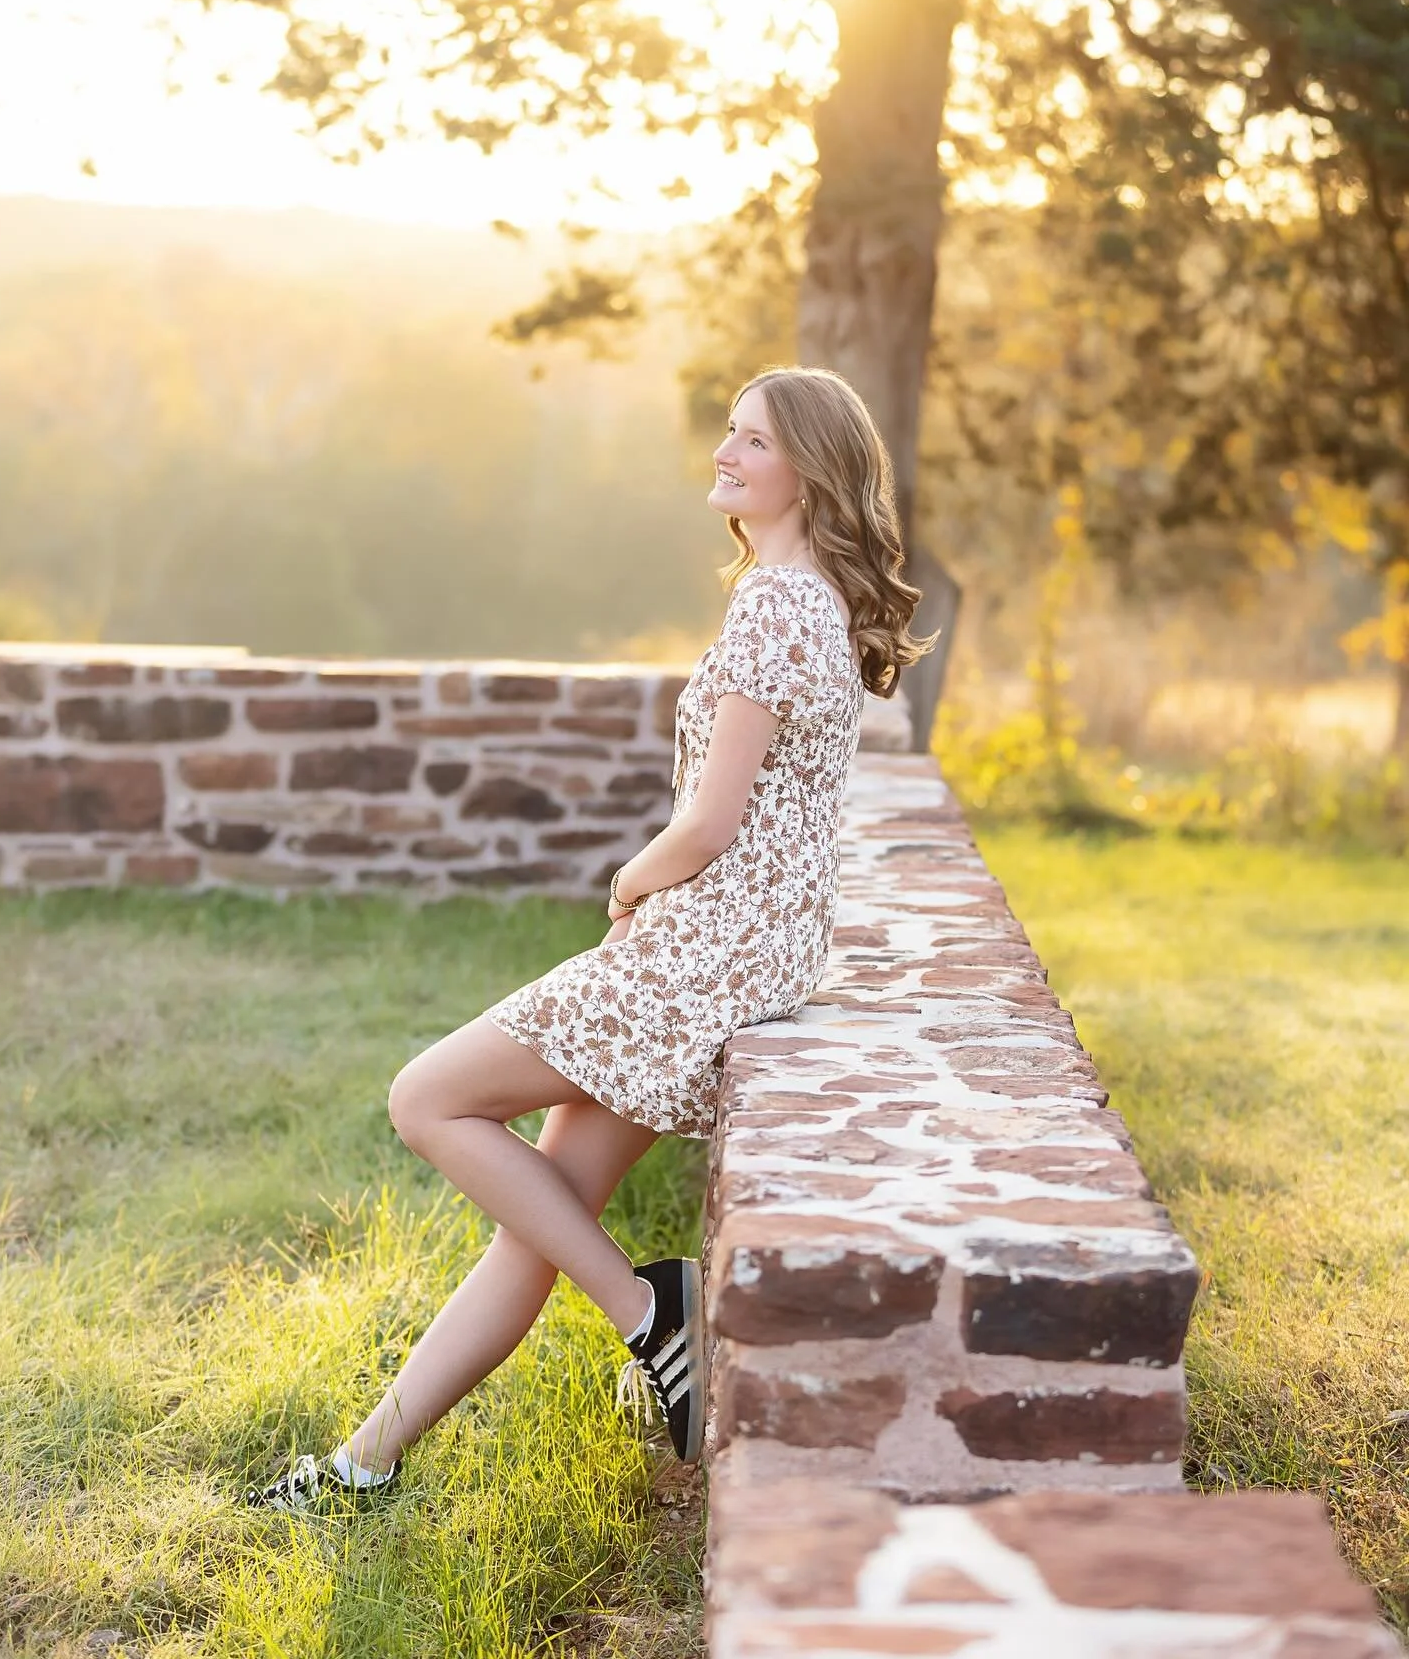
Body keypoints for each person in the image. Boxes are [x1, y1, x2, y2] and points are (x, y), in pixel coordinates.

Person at [246, 364, 935, 1510]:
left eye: (750, 441)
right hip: (751, 947)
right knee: (541, 1224)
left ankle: (649, 1314)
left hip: (702, 947)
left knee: (426, 1098)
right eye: (729, 432)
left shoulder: (776, 604)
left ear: (807, 469)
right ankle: (363, 1465)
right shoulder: (808, 597)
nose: (724, 453)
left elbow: (710, 823)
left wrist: (628, 881)